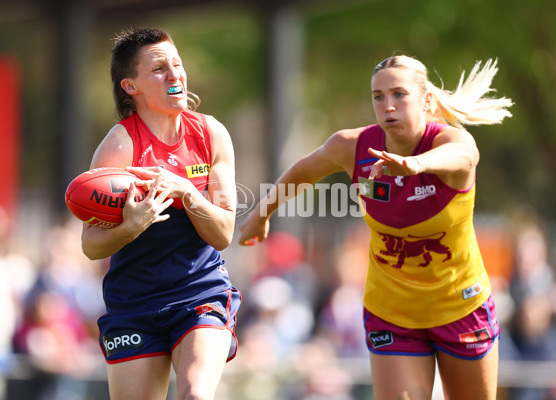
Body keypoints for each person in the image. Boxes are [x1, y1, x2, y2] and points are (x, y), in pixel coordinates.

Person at [239, 55, 513, 399]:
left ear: (426, 100)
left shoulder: (447, 143)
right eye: (378, 96)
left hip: (460, 306)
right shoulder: (353, 147)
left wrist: (417, 165)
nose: (388, 106)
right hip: (392, 312)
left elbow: (465, 156)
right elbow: (303, 171)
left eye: (400, 94)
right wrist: (261, 214)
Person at [80, 27, 240, 400]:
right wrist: (130, 227)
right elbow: (91, 245)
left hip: (199, 292)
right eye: (158, 69)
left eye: (177, 64)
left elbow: (223, 233)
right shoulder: (119, 147)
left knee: (196, 395)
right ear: (130, 85)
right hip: (134, 303)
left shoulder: (210, 134)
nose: (175, 75)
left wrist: (186, 192)